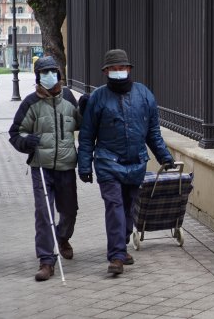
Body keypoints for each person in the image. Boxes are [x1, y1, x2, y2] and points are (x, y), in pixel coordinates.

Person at [78, 49, 175, 275]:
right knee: (114, 206)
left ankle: (121, 246)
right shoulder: (98, 98)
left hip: (136, 163)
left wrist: (165, 156)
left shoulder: (144, 95)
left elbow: (153, 132)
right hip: (107, 162)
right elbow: (87, 134)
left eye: (122, 68)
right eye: (113, 69)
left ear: (129, 69)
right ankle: (117, 256)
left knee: (129, 207)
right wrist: (84, 165)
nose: (118, 72)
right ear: (106, 72)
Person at [8, 56, 82, 281]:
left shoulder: (69, 97)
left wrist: (87, 109)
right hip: (41, 167)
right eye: (44, 72)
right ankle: (46, 260)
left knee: (69, 210)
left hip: (67, 166)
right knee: (44, 212)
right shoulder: (30, 103)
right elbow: (15, 133)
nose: (49, 76)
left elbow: (82, 124)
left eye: (52, 71)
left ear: (58, 75)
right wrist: (25, 141)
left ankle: (62, 237)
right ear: (38, 77)